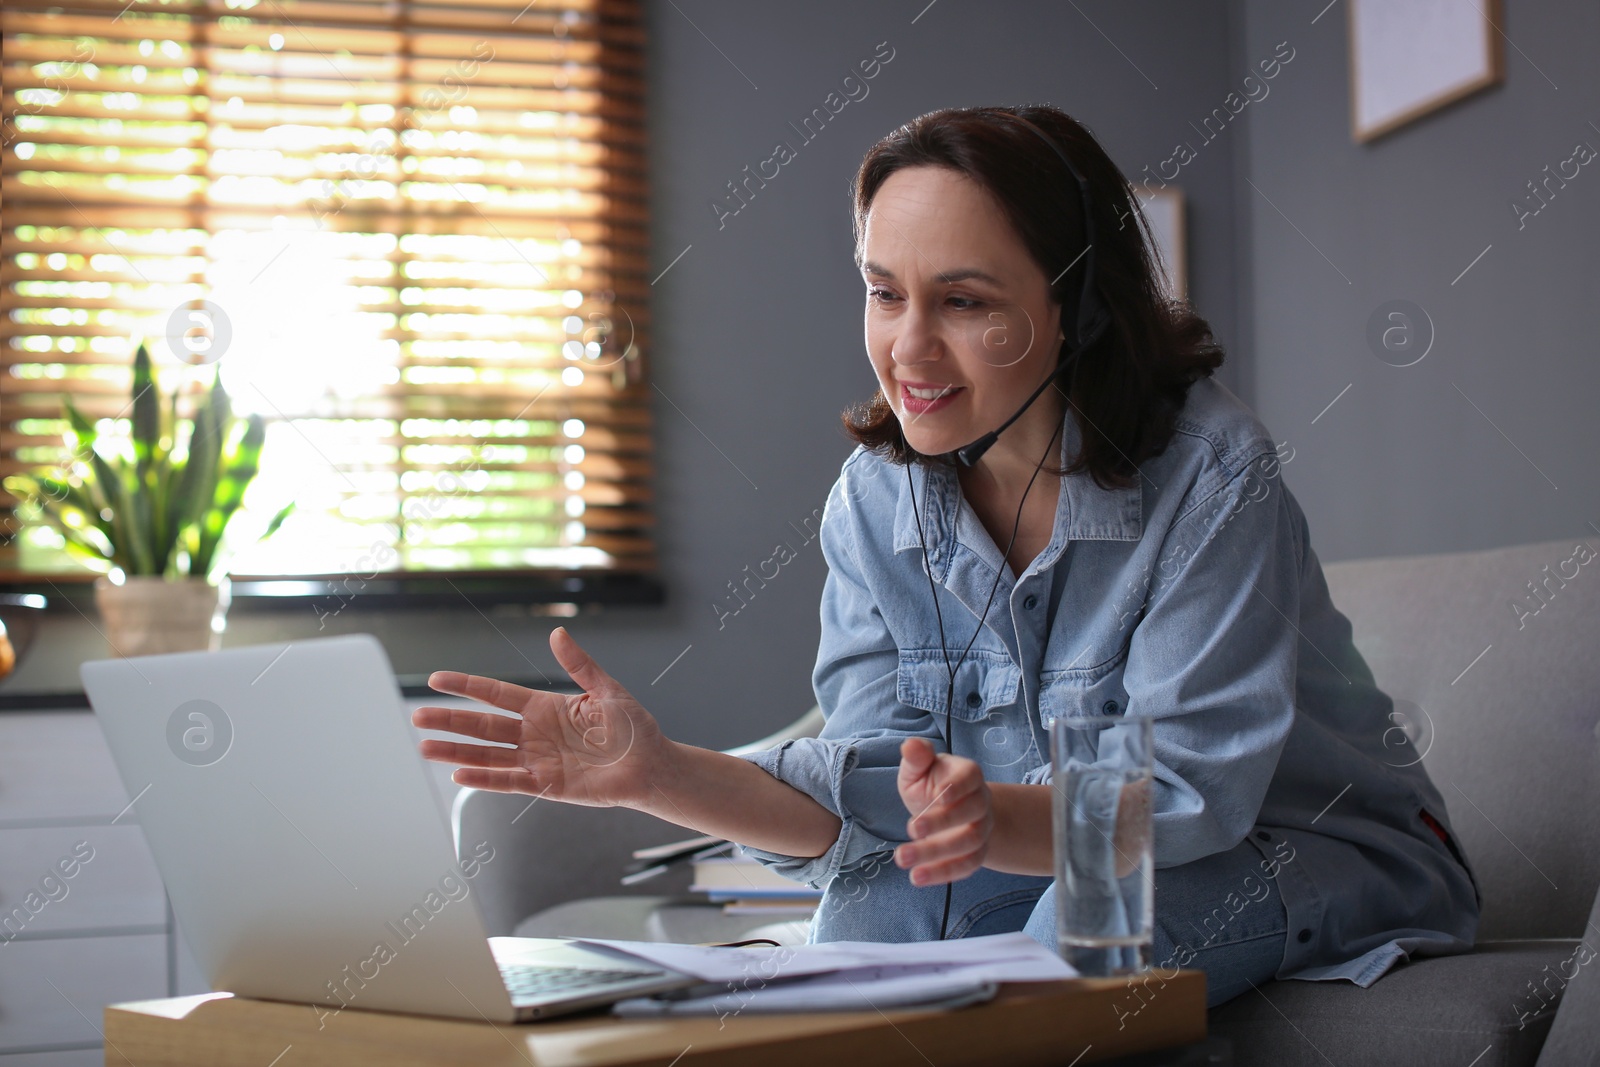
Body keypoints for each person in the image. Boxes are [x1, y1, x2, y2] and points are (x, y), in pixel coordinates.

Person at [413, 103, 1480, 1008]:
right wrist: (657, 773)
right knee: (868, 908)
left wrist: (993, 815)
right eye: (885, 292)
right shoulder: (877, 498)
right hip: (1036, 844)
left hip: (1302, 848)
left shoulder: (1212, 472)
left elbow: (1187, 795)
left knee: (1084, 921)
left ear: (1080, 310)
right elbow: (870, 799)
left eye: (964, 301)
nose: (907, 348)